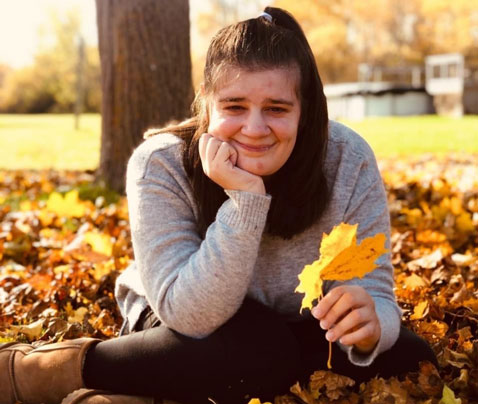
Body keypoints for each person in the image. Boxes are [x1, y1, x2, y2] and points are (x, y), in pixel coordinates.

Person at [0, 7, 438, 404]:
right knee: (257, 349)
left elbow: (377, 290)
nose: (254, 127)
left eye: (276, 108)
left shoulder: (348, 159)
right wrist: (246, 200)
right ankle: (46, 372)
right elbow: (188, 315)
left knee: (410, 356)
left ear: (305, 112)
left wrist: (371, 323)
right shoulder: (160, 164)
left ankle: (133, 395)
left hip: (302, 325)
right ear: (206, 105)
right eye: (234, 106)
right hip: (184, 320)